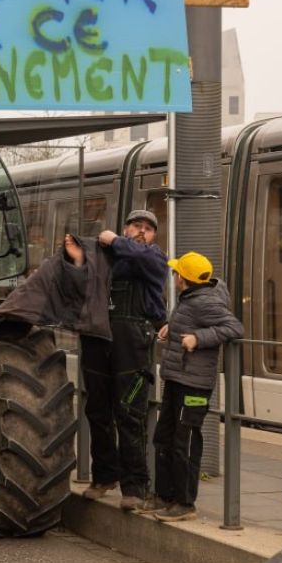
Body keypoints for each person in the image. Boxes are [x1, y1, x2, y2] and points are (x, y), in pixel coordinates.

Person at [77, 210, 168, 510]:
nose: (142, 232)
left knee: (130, 413)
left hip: (133, 343)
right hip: (99, 339)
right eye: (136, 226)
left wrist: (114, 240)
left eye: (148, 229)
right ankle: (104, 476)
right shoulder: (104, 257)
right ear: (126, 227)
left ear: (154, 236)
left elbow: (143, 257)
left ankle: (135, 487)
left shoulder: (154, 259)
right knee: (97, 410)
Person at [145, 251, 244, 521]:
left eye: (176, 272)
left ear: (183, 279)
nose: (173, 276)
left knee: (184, 441)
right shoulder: (190, 298)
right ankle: (164, 496)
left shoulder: (205, 302)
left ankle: (185, 503)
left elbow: (234, 328)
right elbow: (187, 324)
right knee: (164, 437)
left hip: (194, 386)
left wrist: (199, 339)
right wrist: (170, 328)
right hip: (177, 379)